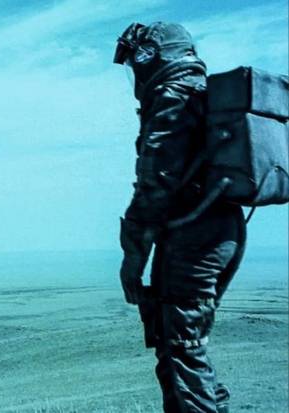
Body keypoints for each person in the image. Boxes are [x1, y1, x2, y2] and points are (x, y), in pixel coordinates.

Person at [114, 22, 246, 413]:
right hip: (219, 229)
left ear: (152, 55)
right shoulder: (202, 96)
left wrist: (132, 261)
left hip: (194, 238)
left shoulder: (174, 97)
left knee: (183, 352)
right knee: (185, 351)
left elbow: (153, 186)